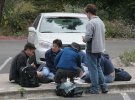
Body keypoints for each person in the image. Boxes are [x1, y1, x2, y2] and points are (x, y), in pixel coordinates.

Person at [82, 4, 108, 94]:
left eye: (86, 14)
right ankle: (104, 87)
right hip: (100, 48)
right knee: (98, 67)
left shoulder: (90, 23)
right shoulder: (101, 21)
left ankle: (95, 89)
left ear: (89, 12)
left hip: (92, 49)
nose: (86, 16)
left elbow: (88, 37)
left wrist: (84, 39)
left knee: (93, 69)